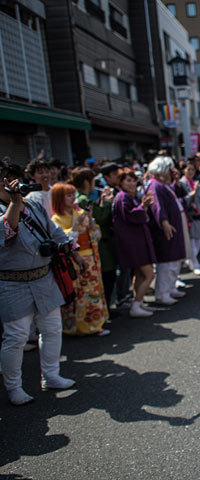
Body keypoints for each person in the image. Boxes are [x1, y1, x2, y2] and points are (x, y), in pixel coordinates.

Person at [0, 161, 76, 405]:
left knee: (52, 328)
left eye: (14, 178)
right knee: (16, 337)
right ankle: (14, 388)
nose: (11, 184)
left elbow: (53, 231)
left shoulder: (32, 204)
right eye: (6, 180)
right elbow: (6, 231)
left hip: (43, 276)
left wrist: (71, 251)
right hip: (12, 282)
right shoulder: (10, 206)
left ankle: (51, 375)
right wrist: (14, 202)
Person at [50, 183, 110, 336]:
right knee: (77, 294)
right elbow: (62, 240)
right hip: (74, 260)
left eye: (72, 195)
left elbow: (97, 235)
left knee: (93, 292)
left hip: (90, 257)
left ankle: (95, 324)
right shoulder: (56, 219)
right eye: (68, 195)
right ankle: (75, 326)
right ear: (59, 199)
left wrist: (90, 220)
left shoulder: (80, 213)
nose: (72, 198)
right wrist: (75, 226)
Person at [71, 167, 118, 314]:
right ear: (86, 182)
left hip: (96, 242)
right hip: (98, 242)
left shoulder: (82, 198)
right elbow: (101, 218)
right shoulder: (84, 200)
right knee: (107, 275)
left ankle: (105, 309)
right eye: (91, 180)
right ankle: (106, 310)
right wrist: (109, 203)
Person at [112, 170, 157, 318]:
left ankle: (139, 303)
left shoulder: (128, 197)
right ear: (121, 183)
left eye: (133, 180)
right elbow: (131, 216)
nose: (132, 184)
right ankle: (136, 304)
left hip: (137, 241)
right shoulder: (123, 197)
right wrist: (142, 207)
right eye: (128, 181)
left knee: (139, 275)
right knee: (149, 275)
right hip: (133, 243)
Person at [145, 156, 186, 305]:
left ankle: (170, 288)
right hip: (166, 229)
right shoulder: (155, 186)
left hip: (173, 226)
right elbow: (157, 206)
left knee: (174, 260)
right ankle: (162, 293)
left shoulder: (162, 184)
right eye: (169, 170)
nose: (171, 172)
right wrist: (164, 222)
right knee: (167, 262)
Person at [179, 161, 200, 275]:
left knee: (198, 240)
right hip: (189, 215)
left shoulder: (195, 182)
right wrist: (193, 192)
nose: (190, 172)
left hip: (197, 213)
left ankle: (191, 260)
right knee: (192, 241)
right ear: (183, 171)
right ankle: (194, 264)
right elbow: (183, 199)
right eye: (188, 169)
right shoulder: (181, 183)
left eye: (192, 170)